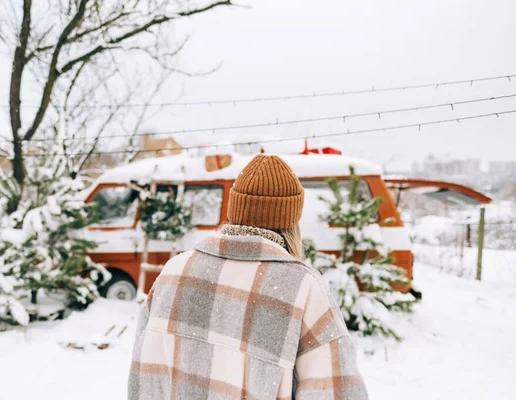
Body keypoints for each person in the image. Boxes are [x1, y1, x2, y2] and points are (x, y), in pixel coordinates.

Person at [128, 154, 368, 399]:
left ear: (235, 208)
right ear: (291, 222)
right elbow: (337, 391)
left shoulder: (173, 272)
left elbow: (141, 377)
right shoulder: (302, 288)